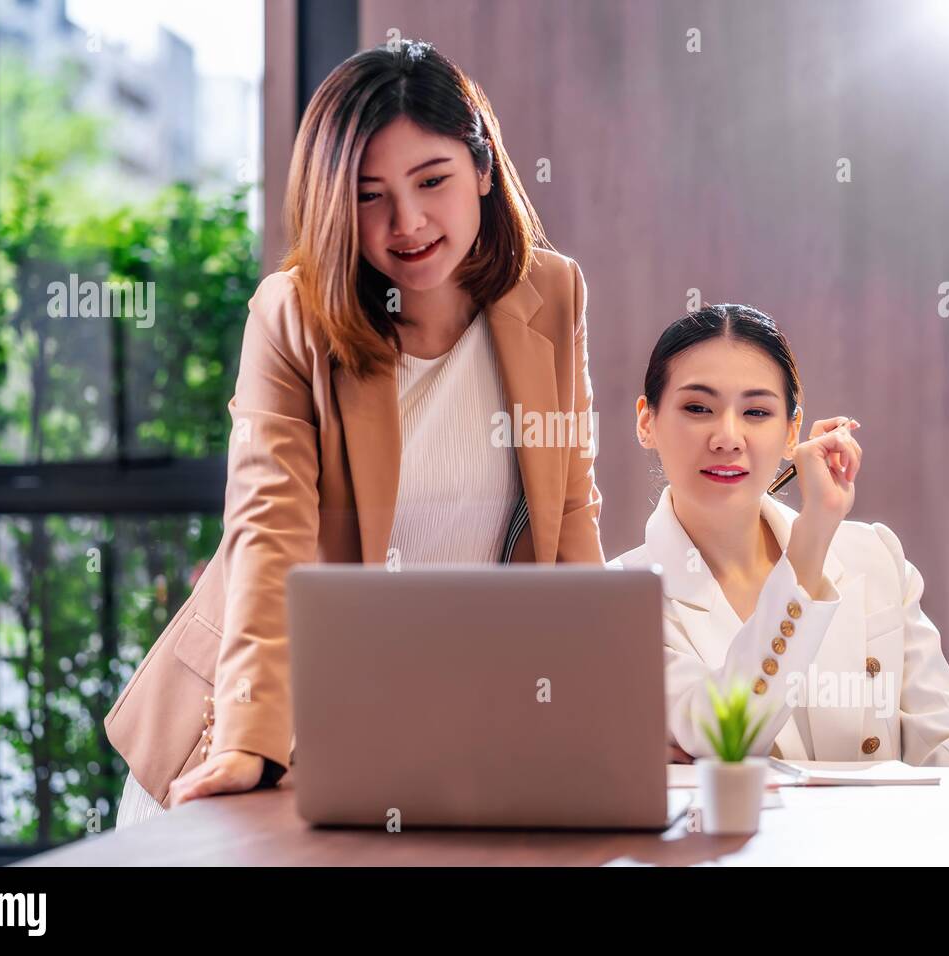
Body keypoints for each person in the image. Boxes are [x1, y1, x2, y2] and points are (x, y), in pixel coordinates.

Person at [106, 39, 604, 826]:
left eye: (431, 181)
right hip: (265, 721)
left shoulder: (551, 293)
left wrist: (604, 710)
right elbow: (268, 533)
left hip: (440, 731)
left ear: (481, 167)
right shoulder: (293, 314)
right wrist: (248, 743)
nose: (407, 223)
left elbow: (569, 514)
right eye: (370, 196)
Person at [609, 304, 949, 772]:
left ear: (789, 432)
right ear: (646, 421)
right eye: (697, 407)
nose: (728, 437)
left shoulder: (873, 556)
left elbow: (945, 748)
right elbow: (725, 736)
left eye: (757, 411)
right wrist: (811, 539)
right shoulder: (617, 599)